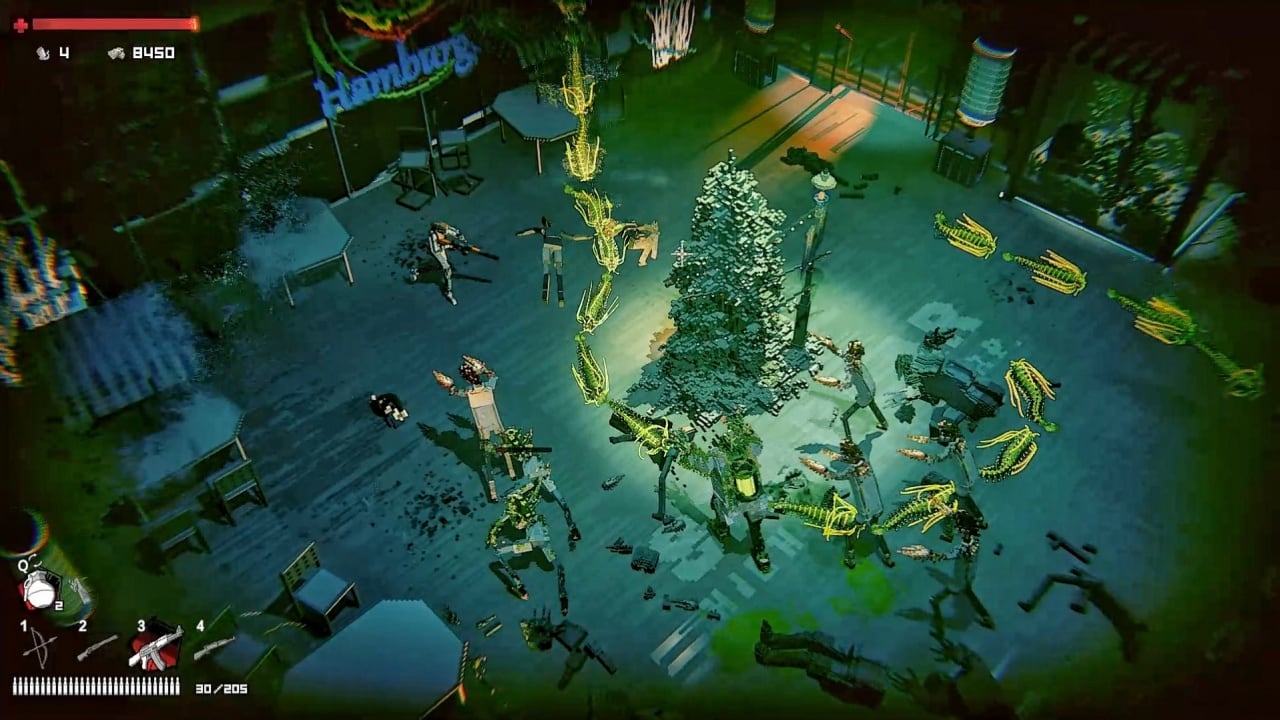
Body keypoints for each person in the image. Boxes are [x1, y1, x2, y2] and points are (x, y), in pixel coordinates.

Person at [515, 216, 590, 306]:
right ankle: (556, 295)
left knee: (552, 268)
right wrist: (522, 233)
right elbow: (573, 237)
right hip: (553, 246)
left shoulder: (549, 231)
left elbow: (573, 237)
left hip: (551, 246)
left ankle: (554, 294)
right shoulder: (549, 231)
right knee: (554, 268)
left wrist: (586, 237)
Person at [840, 341, 890, 436]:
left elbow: (847, 385)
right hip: (871, 391)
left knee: (844, 417)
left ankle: (848, 440)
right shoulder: (861, 365)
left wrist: (840, 384)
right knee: (872, 404)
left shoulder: (852, 371)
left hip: (864, 397)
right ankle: (884, 423)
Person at [410, 221, 465, 305]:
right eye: (443, 232)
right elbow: (434, 251)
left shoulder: (445, 229)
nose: (446, 232)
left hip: (441, 247)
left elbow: (455, 232)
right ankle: (448, 292)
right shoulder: (432, 237)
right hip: (436, 251)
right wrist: (449, 246)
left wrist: (461, 239)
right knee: (447, 268)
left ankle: (417, 271)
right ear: (438, 231)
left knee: (439, 267)